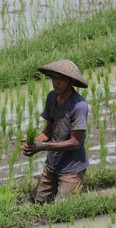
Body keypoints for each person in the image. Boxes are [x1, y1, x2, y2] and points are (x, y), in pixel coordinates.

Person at [21, 59, 89, 204]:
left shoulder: (79, 106)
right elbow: (49, 129)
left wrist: (43, 147)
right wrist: (34, 142)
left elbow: (75, 142)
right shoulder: (52, 97)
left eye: (61, 80)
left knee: (63, 207)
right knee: (37, 201)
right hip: (53, 164)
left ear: (70, 82)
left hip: (72, 168)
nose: (56, 83)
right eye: (54, 78)